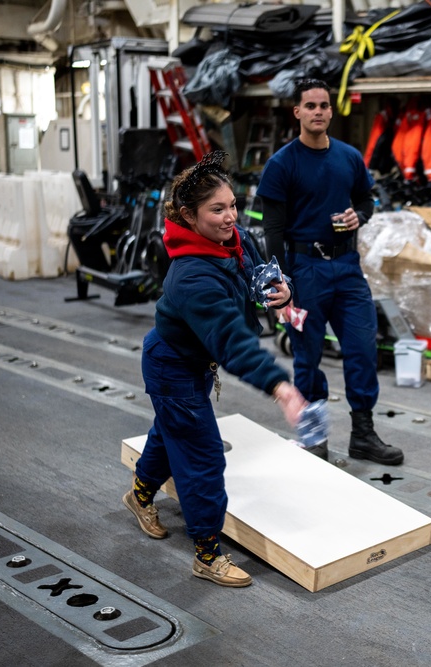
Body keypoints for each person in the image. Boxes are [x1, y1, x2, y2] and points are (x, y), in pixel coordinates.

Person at [123, 151, 307, 588]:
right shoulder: (191, 276)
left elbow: (256, 273)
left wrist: (279, 295)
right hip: (174, 367)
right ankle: (207, 552)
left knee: (172, 433)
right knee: (202, 457)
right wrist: (278, 385)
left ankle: (140, 496)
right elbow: (231, 337)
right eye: (217, 209)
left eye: (232, 205)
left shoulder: (231, 237)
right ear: (188, 215)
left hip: (192, 365)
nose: (231, 217)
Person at [256, 78, 403, 465]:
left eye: (324, 105)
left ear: (331, 111)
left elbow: (366, 200)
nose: (318, 111)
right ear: (298, 112)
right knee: (307, 356)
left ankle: (364, 435)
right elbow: (272, 229)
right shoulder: (281, 164)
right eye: (311, 105)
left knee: (362, 349)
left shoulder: (350, 157)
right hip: (305, 272)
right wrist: (280, 281)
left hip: (348, 267)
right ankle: (314, 437)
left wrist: (361, 215)